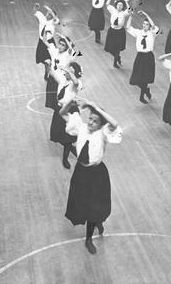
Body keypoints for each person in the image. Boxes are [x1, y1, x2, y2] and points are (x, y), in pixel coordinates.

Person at [60, 98, 123, 255]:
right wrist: (70, 102)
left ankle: (89, 238)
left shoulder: (103, 133)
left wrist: (96, 107)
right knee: (84, 204)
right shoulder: (80, 128)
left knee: (94, 206)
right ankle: (97, 222)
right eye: (90, 118)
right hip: (81, 173)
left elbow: (114, 124)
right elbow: (62, 113)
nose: (91, 122)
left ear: (101, 125)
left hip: (97, 174)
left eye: (95, 121)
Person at [49, 62, 83, 169]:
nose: (67, 72)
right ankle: (71, 147)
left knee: (68, 137)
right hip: (60, 109)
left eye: (71, 71)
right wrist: (49, 65)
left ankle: (65, 158)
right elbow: (52, 72)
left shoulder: (76, 84)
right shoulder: (63, 79)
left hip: (70, 110)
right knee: (58, 132)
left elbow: (76, 83)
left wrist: (68, 71)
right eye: (68, 70)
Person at [127, 10, 160, 103]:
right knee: (136, 79)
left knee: (145, 78)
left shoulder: (152, 33)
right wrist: (130, 16)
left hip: (148, 57)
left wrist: (146, 14)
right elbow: (128, 27)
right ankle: (146, 91)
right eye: (144, 24)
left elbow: (154, 27)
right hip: (140, 56)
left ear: (149, 26)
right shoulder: (138, 32)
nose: (144, 25)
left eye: (146, 24)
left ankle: (142, 96)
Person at [44, 34, 79, 110]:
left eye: (63, 45)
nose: (60, 46)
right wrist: (45, 32)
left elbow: (70, 48)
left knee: (59, 99)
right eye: (60, 44)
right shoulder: (55, 51)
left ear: (66, 47)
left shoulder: (67, 55)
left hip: (62, 79)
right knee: (51, 99)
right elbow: (44, 41)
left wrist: (64, 38)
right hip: (53, 77)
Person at [104, 0, 131, 68]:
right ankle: (117, 57)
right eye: (118, 5)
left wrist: (125, 1)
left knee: (117, 49)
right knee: (109, 48)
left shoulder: (124, 13)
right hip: (112, 31)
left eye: (121, 5)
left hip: (120, 32)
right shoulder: (113, 10)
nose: (119, 6)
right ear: (116, 5)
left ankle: (115, 62)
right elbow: (107, 4)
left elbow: (129, 9)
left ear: (123, 7)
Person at [33, 3, 60, 68]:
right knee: (40, 54)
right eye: (47, 13)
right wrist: (35, 7)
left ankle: (53, 65)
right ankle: (43, 63)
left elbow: (56, 19)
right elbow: (35, 12)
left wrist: (49, 9)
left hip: (49, 40)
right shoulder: (42, 18)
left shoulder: (53, 22)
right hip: (42, 40)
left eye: (49, 14)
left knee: (52, 55)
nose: (47, 14)